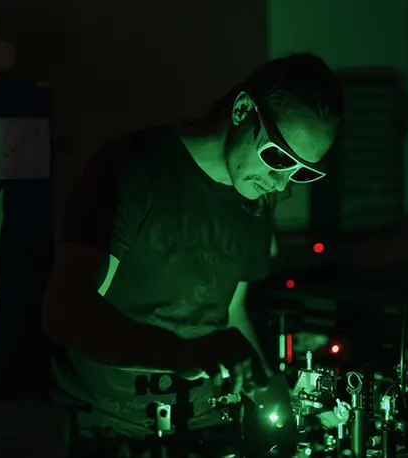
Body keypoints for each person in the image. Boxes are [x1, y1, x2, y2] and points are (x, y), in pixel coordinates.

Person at [42, 53, 343, 456]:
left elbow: (232, 313)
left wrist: (273, 397)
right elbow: (66, 310)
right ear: (241, 109)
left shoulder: (256, 202)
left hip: (205, 430)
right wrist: (183, 354)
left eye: (302, 171)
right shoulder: (136, 169)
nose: (282, 184)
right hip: (109, 430)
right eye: (277, 157)